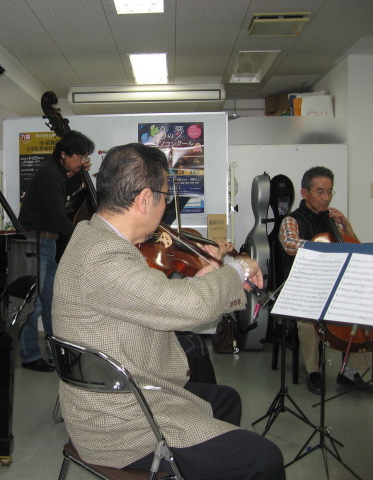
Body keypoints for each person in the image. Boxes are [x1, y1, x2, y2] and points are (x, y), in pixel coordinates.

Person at [52, 143, 284, 479]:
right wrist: (236, 270)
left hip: (125, 391)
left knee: (225, 399)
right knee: (264, 458)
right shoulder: (103, 256)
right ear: (145, 199)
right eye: (164, 196)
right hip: (120, 424)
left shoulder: (93, 236)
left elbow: (152, 299)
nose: (166, 206)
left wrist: (207, 278)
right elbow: (189, 306)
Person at [278, 166, 371, 394]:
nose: (326, 198)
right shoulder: (291, 220)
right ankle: (314, 372)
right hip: (306, 289)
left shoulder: (334, 221)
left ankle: (349, 372)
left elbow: (354, 248)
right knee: (307, 323)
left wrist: (346, 225)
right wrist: (321, 248)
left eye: (329, 192)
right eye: (320, 192)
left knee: (365, 314)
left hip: (335, 288)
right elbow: (290, 244)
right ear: (304, 193)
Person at [17, 130, 95, 372]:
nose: (82, 161)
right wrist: (86, 240)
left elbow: (63, 193)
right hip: (35, 243)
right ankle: (30, 356)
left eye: (85, 157)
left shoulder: (56, 173)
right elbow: (59, 216)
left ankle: (57, 352)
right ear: (64, 154)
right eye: (80, 156)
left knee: (52, 302)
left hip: (48, 243)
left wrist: (77, 175)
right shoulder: (49, 174)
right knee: (34, 305)